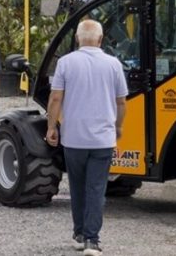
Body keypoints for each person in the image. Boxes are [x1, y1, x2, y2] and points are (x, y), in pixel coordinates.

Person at [45, 19, 127, 256]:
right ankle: (92, 240)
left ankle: (79, 234)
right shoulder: (113, 64)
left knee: (77, 187)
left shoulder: (65, 63)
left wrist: (52, 126)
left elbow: (56, 98)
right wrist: (118, 126)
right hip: (102, 139)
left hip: (74, 138)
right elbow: (121, 101)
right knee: (96, 188)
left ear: (79, 38)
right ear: (100, 39)